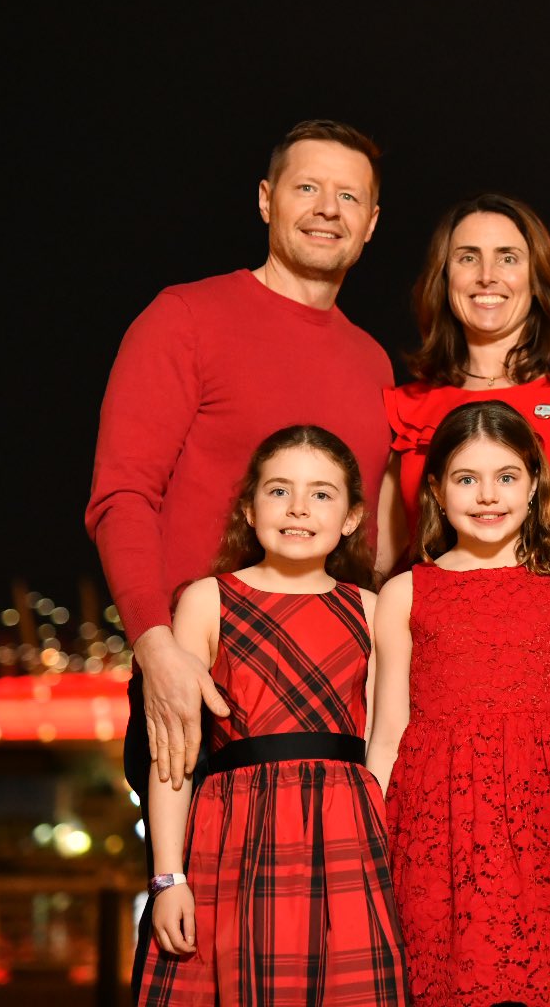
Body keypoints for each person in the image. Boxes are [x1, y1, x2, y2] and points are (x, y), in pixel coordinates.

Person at [86, 120, 393, 811]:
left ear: (371, 223)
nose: (326, 209)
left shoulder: (373, 363)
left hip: (335, 694)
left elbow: (370, 538)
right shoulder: (184, 318)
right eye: (306, 187)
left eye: (347, 196)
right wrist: (156, 650)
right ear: (265, 199)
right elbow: (122, 496)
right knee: (189, 905)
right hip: (200, 675)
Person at [139, 425, 406, 1005]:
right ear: (248, 507)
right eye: (279, 490)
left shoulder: (372, 608)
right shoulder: (207, 600)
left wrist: (371, 846)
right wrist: (167, 878)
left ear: (353, 517)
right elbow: (174, 757)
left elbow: (386, 741)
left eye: (322, 494)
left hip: (347, 835)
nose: (299, 508)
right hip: (235, 836)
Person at [381, 194, 550, 774]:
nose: (487, 275)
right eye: (467, 258)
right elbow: (380, 567)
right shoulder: (403, 407)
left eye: (508, 257)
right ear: (443, 278)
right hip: (432, 693)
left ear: (537, 274)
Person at [368, 401, 550, 1007]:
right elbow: (389, 733)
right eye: (466, 479)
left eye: (506, 477)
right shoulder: (404, 593)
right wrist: (369, 854)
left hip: (539, 827)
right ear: (438, 493)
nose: (487, 496)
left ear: (533, 486)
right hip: (430, 832)